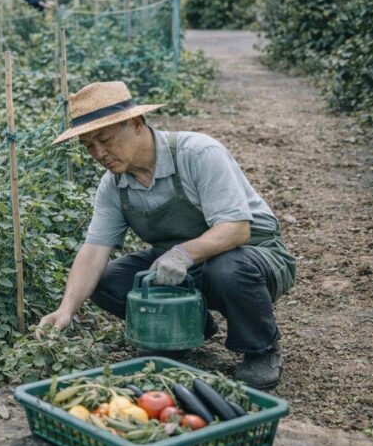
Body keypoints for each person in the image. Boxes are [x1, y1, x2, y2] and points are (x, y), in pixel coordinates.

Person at [37, 81, 297, 390]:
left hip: (254, 254)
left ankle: (260, 349)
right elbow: (94, 250)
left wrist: (182, 254)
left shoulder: (197, 153)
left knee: (228, 269)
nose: (99, 153)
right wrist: (66, 310)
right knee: (108, 281)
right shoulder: (114, 186)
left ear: (135, 123)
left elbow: (236, 229)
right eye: (89, 146)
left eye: (104, 139)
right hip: (181, 266)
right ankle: (189, 326)